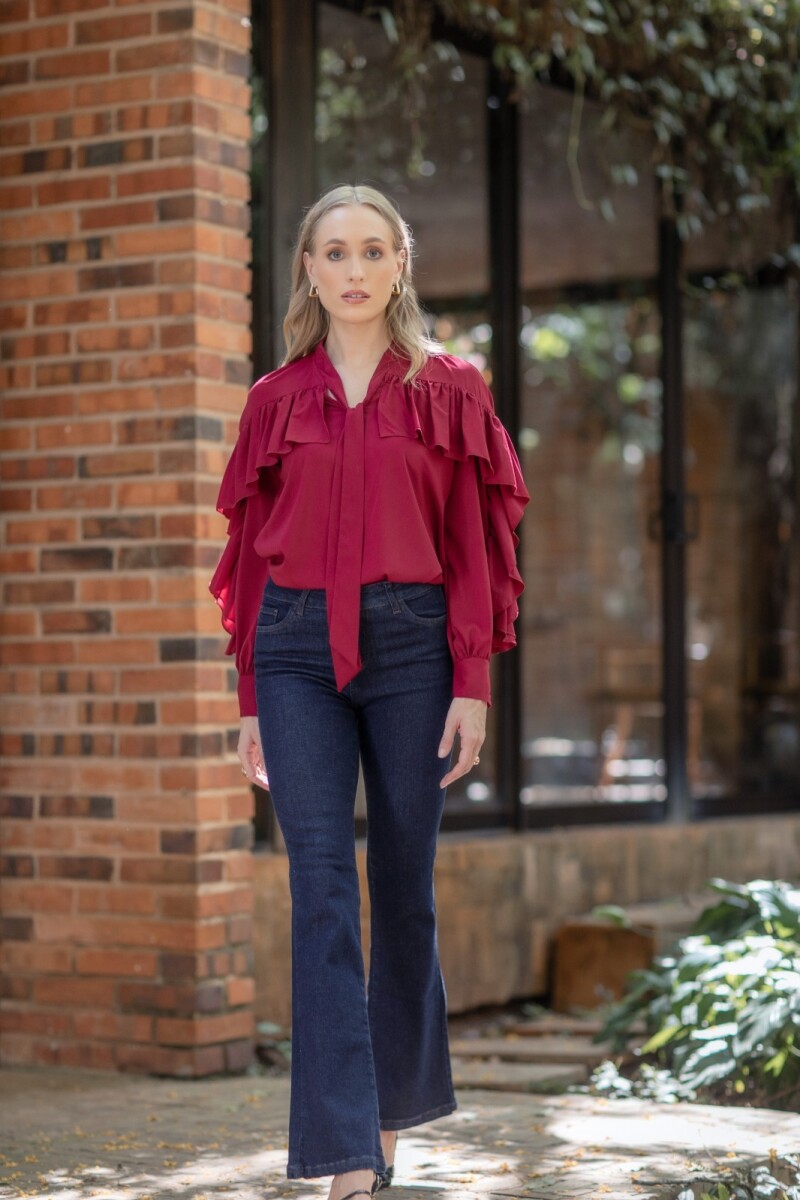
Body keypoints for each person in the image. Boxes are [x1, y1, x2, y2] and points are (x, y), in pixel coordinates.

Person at [209, 183, 529, 1200]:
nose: (354, 270)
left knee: (401, 885)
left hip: (413, 651)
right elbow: (248, 561)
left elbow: (473, 544)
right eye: (335, 252)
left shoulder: (451, 388)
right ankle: (347, 1157)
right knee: (319, 889)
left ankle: (387, 1117)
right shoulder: (274, 399)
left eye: (373, 251)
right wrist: (250, 696)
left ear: (400, 265)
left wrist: (471, 680)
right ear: (307, 269)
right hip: (294, 651)